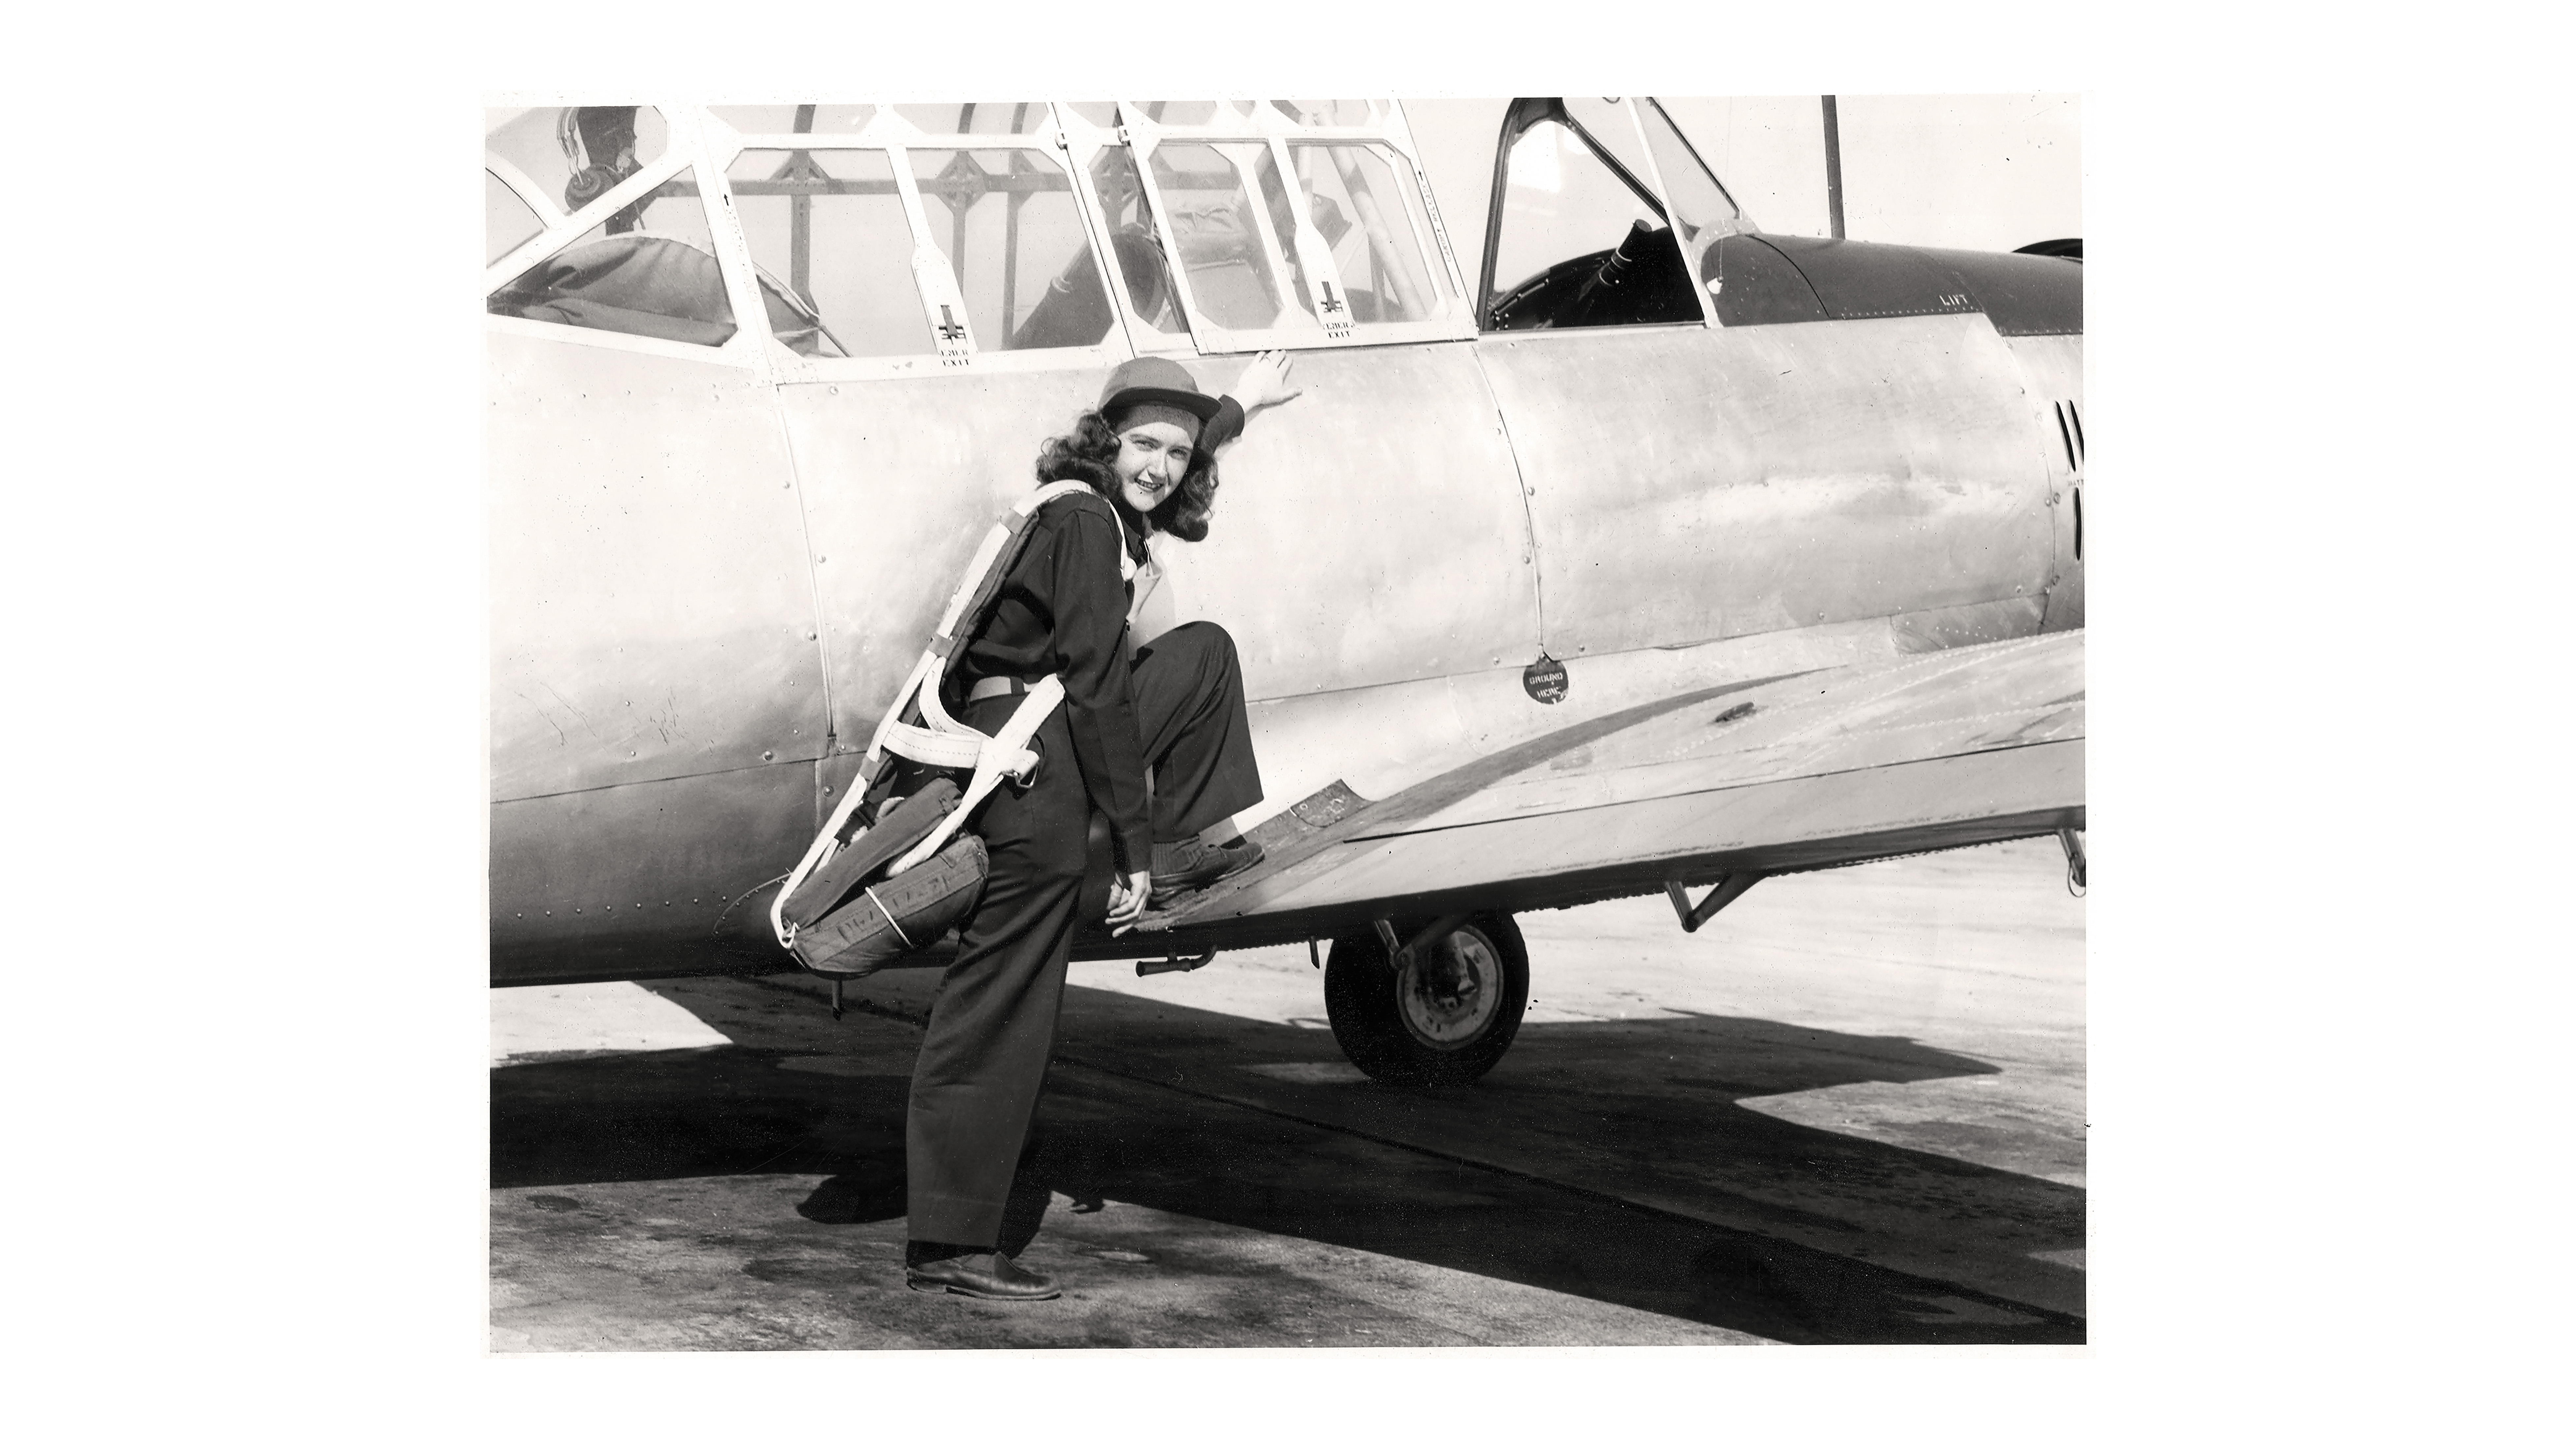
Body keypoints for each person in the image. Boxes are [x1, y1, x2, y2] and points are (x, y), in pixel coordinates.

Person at [902, 351, 1301, 1300]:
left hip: (1034, 758)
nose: (1160, 465)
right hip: (1034, 776)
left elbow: (1171, 459)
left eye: (1177, 451)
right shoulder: (1084, 520)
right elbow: (1095, 688)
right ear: (1103, 441)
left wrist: (1235, 410)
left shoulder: (1096, 513)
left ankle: (1177, 848)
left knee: (1200, 652)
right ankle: (951, 1245)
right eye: (1142, 444)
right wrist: (1128, 849)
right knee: (1003, 1012)